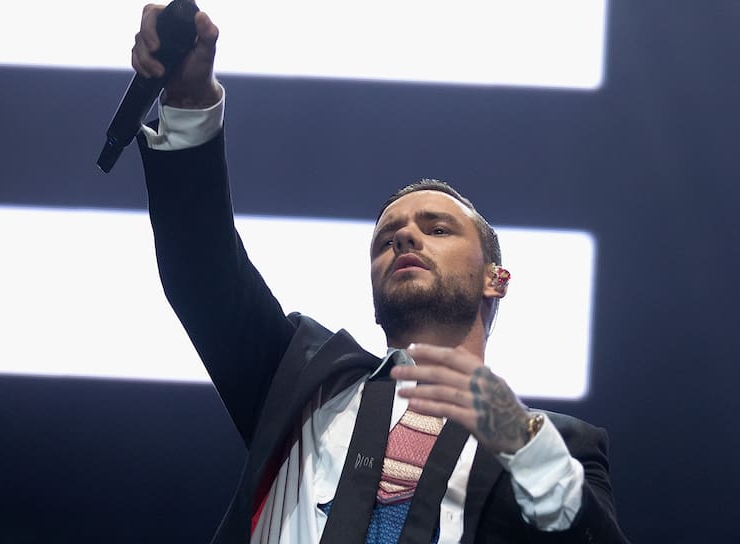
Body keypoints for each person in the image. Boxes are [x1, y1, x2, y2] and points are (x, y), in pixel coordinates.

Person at [130, 3, 629, 543]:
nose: (405, 238)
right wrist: (188, 103)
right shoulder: (303, 385)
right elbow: (205, 273)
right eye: (387, 239)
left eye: (438, 229)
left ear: (496, 278)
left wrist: (524, 443)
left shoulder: (559, 447)